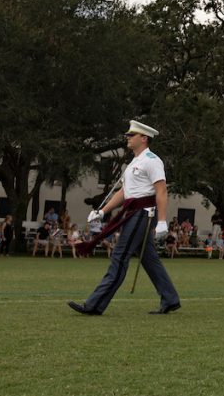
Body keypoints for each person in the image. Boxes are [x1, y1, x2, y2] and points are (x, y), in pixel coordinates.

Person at [68, 120, 181, 315]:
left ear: (144, 138)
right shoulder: (134, 163)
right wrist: (102, 211)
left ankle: (95, 304)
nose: (127, 138)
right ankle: (170, 298)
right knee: (149, 259)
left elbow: (161, 191)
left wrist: (162, 221)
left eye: (132, 135)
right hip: (133, 214)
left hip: (143, 214)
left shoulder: (152, 160)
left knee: (119, 257)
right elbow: (124, 193)